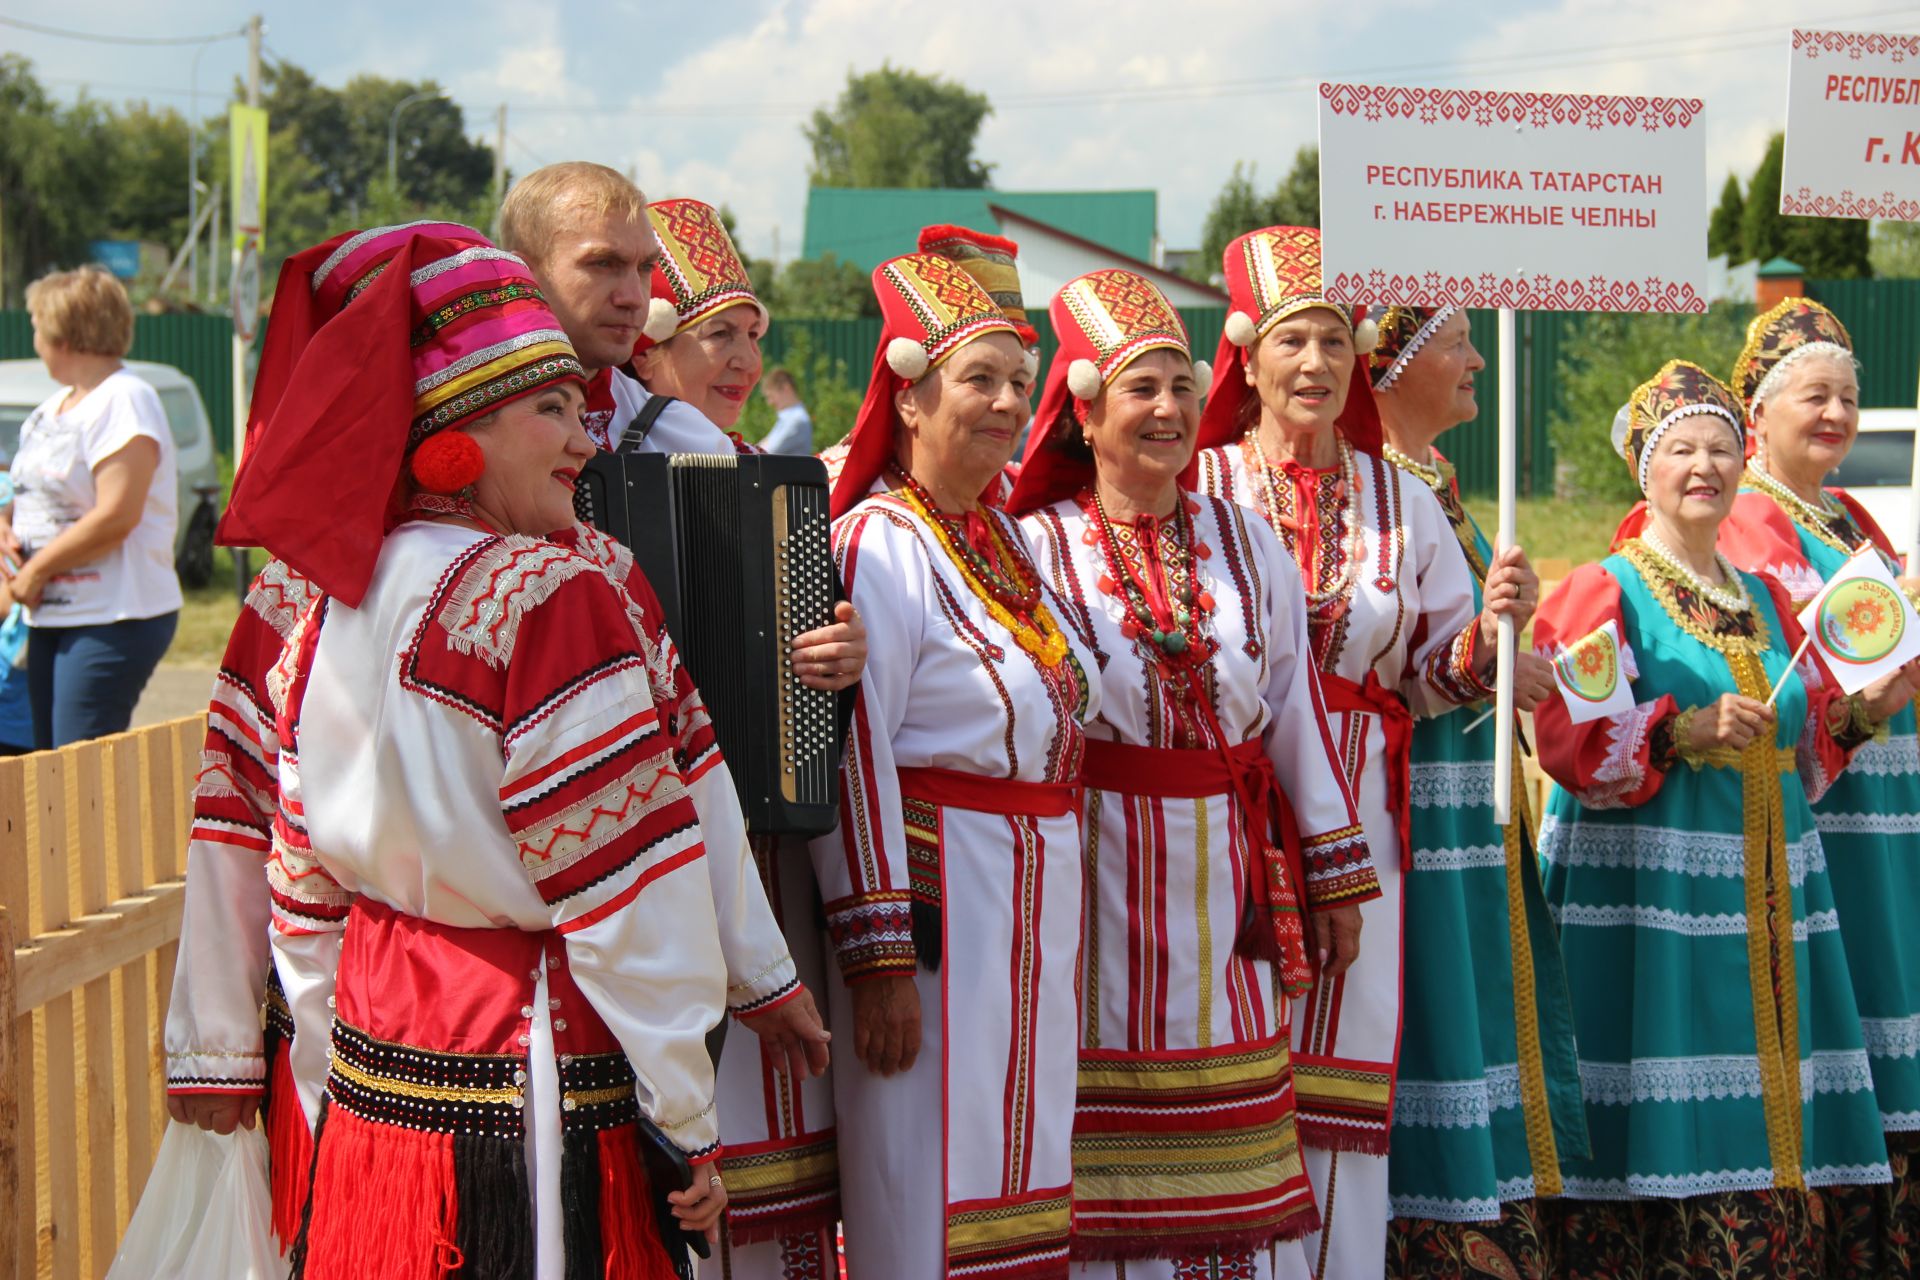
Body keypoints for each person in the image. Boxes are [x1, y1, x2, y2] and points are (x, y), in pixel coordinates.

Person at [195, 224, 732, 1275]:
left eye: (580, 407)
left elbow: (297, 874)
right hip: (535, 1065)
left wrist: (317, 1063)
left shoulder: (327, 595)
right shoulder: (553, 592)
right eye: (550, 410)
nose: (584, 439)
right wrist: (687, 1110)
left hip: (375, 1068)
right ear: (451, 432)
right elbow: (627, 893)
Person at [1007, 269, 1375, 1277]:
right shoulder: (1032, 547)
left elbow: (1295, 713)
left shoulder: (1248, 544)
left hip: (1227, 872)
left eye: (1180, 384)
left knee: (1240, 1140)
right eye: (1140, 389)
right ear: (1083, 413)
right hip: (1097, 873)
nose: (1168, 409)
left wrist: (1337, 874)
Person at [1186, 226, 1537, 1277]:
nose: (1316, 364)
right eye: (1294, 340)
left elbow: (1430, 670)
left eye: (1335, 341)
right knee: (1227, 1049)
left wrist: (1484, 640)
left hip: (1363, 809)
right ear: (1246, 356)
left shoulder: (1405, 499)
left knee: (1343, 1073)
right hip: (1228, 809)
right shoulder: (1197, 485)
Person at [1534, 359, 1917, 1279]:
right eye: (1682, 451)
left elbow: (1804, 747)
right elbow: (1567, 739)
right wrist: (1678, 732)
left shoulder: (1764, 598)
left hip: (1770, 900)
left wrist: (1868, 709)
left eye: (1722, 449)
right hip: (1656, 907)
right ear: (1645, 470)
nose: (1704, 467)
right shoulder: (1604, 589)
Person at [814, 248, 1098, 1277]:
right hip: (940, 915)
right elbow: (854, 753)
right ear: (910, 395)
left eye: (1020, 383)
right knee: (926, 1176)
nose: (1007, 402)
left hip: (1023, 899)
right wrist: (879, 957)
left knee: (1018, 1169)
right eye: (979, 378)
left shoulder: (996, 537)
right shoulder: (876, 544)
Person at [1368, 304, 1587, 1274]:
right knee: (1433, 1000)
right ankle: (1433, 1220)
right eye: (1454, 343)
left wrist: (1511, 660)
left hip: (1464, 784)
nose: (1477, 358)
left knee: (1479, 994)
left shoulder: (1439, 482)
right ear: (1395, 365)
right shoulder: (1372, 495)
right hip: (1412, 790)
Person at [0, 266, 180, 748]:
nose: (32, 331)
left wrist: (36, 572)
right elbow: (29, 491)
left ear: (66, 329)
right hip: (53, 614)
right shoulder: (55, 406)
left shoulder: (126, 399)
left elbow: (117, 515)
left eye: (38, 320)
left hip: (113, 615)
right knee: (48, 770)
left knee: (79, 771)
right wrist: (5, 524)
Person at [758, 368, 814, 454]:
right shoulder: (788, 418)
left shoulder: (796, 420)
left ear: (786, 388)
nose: (770, 402)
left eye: (771, 396)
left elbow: (766, 453)